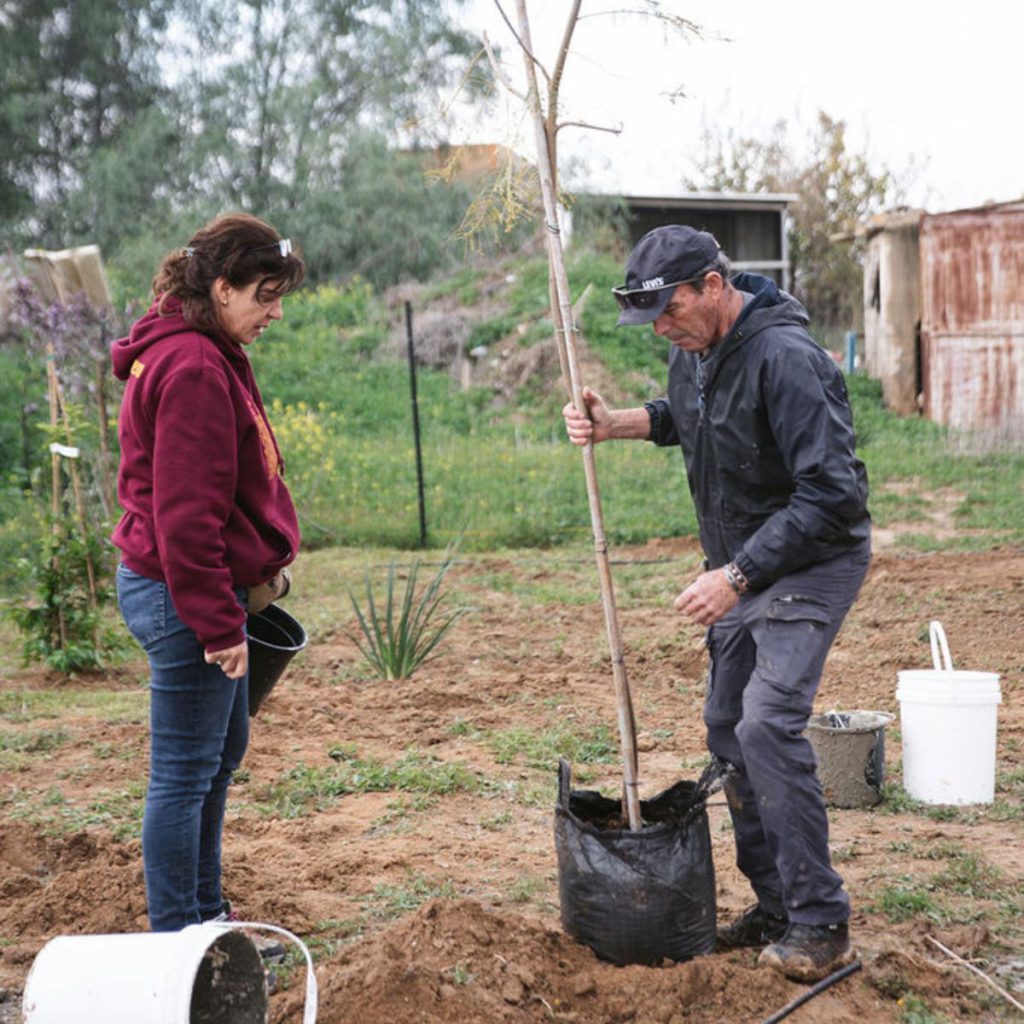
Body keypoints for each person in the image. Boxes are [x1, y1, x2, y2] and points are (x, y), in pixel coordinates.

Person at [563, 225, 871, 983]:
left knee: (768, 722)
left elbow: (833, 496)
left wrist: (735, 576)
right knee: (728, 726)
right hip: (744, 565)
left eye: (669, 311)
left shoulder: (787, 358)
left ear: (710, 284)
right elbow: (687, 419)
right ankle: (775, 905)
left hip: (811, 562)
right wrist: (618, 424)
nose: (662, 330)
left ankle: (820, 922)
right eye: (653, 320)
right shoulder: (695, 349)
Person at [111, 212, 305, 934]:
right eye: (264, 294)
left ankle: (203, 920)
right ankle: (179, 941)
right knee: (185, 775)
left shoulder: (201, 348)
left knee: (218, 758)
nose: (274, 311)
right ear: (222, 289)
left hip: (189, 589)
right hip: (184, 594)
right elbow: (187, 519)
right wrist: (219, 624)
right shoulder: (192, 367)